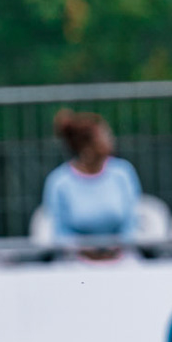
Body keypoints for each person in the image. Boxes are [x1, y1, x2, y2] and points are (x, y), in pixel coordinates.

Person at [41, 109, 141, 258]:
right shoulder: (59, 182)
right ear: (86, 146)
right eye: (104, 135)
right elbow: (60, 231)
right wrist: (86, 253)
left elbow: (131, 222)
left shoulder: (123, 173)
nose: (111, 139)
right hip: (74, 260)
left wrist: (116, 250)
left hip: (121, 257)